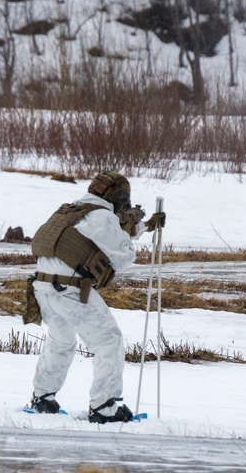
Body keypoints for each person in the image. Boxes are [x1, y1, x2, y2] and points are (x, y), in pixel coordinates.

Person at [27, 171, 165, 423]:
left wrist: (140, 227)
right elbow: (123, 256)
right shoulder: (102, 217)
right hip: (71, 290)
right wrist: (126, 231)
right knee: (108, 341)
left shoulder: (71, 210)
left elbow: (97, 236)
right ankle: (105, 406)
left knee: (61, 342)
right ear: (119, 199)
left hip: (43, 289)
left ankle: (42, 398)